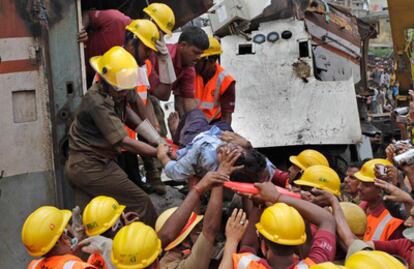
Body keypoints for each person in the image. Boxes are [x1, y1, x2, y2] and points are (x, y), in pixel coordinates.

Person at [65, 46, 158, 226]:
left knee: (92, 225)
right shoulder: (96, 101)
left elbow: (132, 118)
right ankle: (157, 247)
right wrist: (158, 152)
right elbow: (125, 142)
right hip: (89, 166)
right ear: (106, 81)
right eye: (121, 90)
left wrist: (157, 140)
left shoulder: (119, 88)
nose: (124, 93)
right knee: (140, 203)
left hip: (91, 165)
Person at [220, 181, 336, 269]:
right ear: (298, 244)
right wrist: (277, 197)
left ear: (264, 245)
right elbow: (327, 220)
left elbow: (249, 246)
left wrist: (232, 241)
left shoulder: (245, 264)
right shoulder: (314, 266)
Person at [151, 26, 209, 118]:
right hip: (142, 91)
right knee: (157, 127)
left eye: (200, 54)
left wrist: (198, 123)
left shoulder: (189, 69)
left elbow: (187, 100)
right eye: (195, 52)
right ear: (183, 45)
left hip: (153, 95)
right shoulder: (162, 56)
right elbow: (162, 95)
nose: (198, 58)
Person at [22, 206, 95, 269]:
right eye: (64, 231)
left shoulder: (33, 266)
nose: (67, 236)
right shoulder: (79, 267)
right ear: (58, 240)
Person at [354, 158, 404, 241]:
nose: (359, 187)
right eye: (359, 182)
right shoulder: (359, 208)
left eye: (366, 185)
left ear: (382, 189)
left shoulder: (393, 220)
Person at [194, 36, 236, 125]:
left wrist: (222, 135)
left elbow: (226, 117)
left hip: (214, 123)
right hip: (191, 121)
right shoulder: (191, 72)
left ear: (211, 61)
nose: (194, 62)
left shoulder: (226, 82)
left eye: (198, 60)